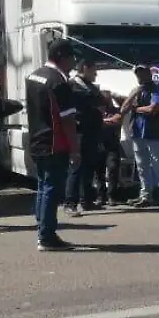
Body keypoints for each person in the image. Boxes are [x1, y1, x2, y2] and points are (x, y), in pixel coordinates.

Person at [26, 38, 80, 251]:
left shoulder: (34, 75)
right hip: (54, 142)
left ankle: (42, 228)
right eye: (71, 58)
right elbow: (67, 120)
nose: (73, 63)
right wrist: (75, 149)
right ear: (61, 58)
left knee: (42, 186)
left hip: (37, 140)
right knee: (51, 188)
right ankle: (46, 236)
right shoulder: (58, 81)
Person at [122, 63, 159, 210]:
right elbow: (123, 109)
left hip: (155, 134)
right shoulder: (135, 90)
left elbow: (154, 109)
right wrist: (133, 95)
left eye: (143, 72)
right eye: (137, 73)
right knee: (142, 167)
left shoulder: (158, 90)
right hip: (138, 133)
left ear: (149, 73)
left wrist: (136, 108)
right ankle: (146, 196)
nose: (140, 76)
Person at [65, 59, 105, 216]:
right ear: (85, 68)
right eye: (94, 70)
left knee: (89, 167)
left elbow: (101, 101)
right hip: (79, 131)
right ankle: (70, 203)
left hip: (92, 132)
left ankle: (86, 200)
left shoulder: (91, 87)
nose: (95, 74)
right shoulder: (72, 85)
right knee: (76, 167)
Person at [96, 89, 125, 206]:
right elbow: (96, 123)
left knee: (113, 169)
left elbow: (117, 120)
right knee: (99, 172)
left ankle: (112, 196)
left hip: (112, 145)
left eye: (106, 99)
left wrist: (115, 95)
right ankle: (100, 196)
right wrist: (105, 121)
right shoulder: (96, 111)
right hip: (99, 144)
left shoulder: (116, 110)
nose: (104, 102)